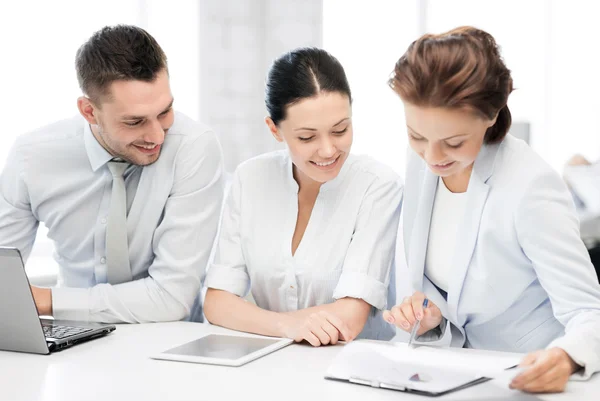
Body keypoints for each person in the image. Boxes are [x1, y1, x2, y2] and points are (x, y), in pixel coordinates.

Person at [382, 26, 600, 393]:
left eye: (453, 142)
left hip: (526, 378)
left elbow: (589, 314)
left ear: (491, 115)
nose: (432, 157)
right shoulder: (420, 162)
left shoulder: (530, 186)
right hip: (452, 376)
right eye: (416, 135)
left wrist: (565, 357)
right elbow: (457, 288)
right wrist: (432, 315)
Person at [0, 25, 224, 323]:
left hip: (167, 339)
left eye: (165, 112)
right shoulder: (32, 157)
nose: (157, 136)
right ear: (89, 111)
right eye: (135, 122)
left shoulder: (194, 148)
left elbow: (171, 298)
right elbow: (4, 276)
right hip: (73, 335)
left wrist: (47, 300)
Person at [203, 48, 402, 345]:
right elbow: (217, 303)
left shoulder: (377, 185)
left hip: (351, 368)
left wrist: (261, 320)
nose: (327, 150)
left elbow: (350, 315)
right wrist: (286, 326)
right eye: (307, 137)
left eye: (340, 129)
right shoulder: (250, 179)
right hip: (268, 361)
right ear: (275, 129)